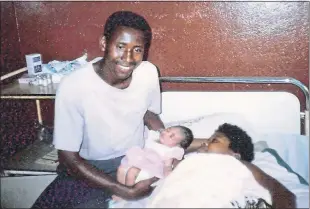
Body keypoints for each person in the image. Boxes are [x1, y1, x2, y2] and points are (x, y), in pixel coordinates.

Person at [32, 11, 165, 208]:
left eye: (137, 49)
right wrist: (124, 191)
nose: (128, 58)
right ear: (104, 43)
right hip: (86, 169)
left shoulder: (147, 73)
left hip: (133, 161)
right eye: (120, 47)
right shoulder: (75, 86)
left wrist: (165, 144)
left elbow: (148, 112)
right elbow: (68, 158)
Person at [184, 123, 296, 208]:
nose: (204, 143)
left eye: (214, 140)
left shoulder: (238, 165)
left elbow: (280, 191)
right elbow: (171, 143)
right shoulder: (189, 160)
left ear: (235, 156)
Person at [116, 125, 193, 188]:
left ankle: (128, 192)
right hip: (137, 161)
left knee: (132, 171)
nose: (166, 134)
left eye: (171, 136)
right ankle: (119, 192)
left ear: (176, 145)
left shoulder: (169, 151)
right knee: (121, 169)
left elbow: (167, 167)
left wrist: (169, 178)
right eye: (168, 130)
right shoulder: (153, 136)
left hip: (150, 168)